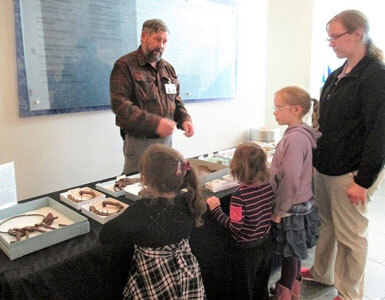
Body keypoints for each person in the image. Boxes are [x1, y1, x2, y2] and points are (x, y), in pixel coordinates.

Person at [301, 10, 385, 300]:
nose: (330, 43)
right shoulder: (340, 73)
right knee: (327, 224)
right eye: (329, 37)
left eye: (335, 36)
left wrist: (363, 181)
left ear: (357, 34)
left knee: (351, 235)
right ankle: (321, 273)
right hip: (328, 165)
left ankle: (350, 293)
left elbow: (381, 133)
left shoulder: (377, 76)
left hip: (351, 172)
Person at [99, 144, 206, 299]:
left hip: (153, 279)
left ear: (145, 179)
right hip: (186, 276)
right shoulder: (189, 200)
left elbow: (105, 235)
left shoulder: (141, 210)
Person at [110, 19, 194, 175]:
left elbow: (175, 99)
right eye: (157, 39)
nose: (161, 45)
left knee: (164, 184)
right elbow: (120, 105)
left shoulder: (168, 68)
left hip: (166, 141)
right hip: (139, 143)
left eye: (165, 41)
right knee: (138, 188)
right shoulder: (125, 65)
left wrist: (184, 119)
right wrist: (156, 123)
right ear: (143, 36)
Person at [270, 86, 321, 299]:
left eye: (278, 108)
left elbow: (290, 179)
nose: (274, 112)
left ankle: (285, 292)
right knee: (296, 249)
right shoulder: (298, 134)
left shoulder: (294, 139)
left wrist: (279, 210)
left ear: (295, 110)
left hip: (291, 206)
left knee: (289, 253)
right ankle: (291, 288)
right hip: (300, 201)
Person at [206, 142, 276, 300]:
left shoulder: (239, 197)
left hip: (246, 251)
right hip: (265, 244)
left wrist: (216, 209)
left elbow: (235, 227)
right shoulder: (268, 186)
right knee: (260, 285)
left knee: (243, 288)